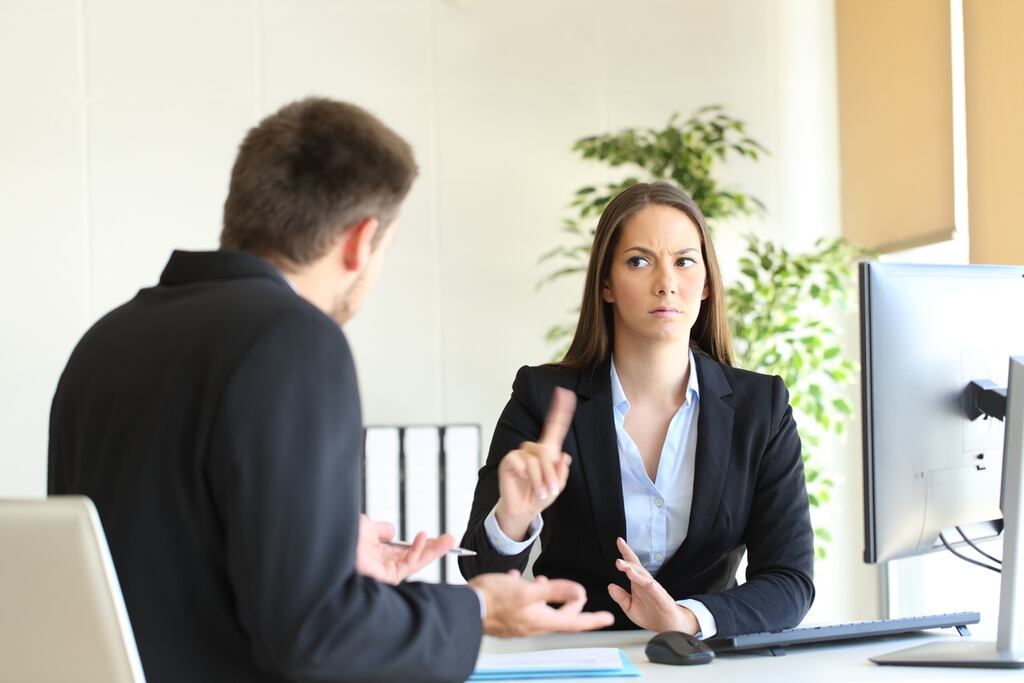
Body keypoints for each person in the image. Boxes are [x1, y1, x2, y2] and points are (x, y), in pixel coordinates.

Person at [48, 97, 613, 683]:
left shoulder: (107, 340)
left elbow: (167, 560)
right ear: (361, 241)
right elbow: (317, 636)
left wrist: (327, 549)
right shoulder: (293, 339)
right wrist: (479, 609)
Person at [459, 181, 815, 638]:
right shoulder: (542, 397)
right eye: (639, 261)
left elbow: (789, 582)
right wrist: (514, 516)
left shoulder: (760, 408)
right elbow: (480, 575)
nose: (666, 283)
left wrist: (687, 619)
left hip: (703, 664)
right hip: (577, 661)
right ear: (606, 284)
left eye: (685, 261)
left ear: (706, 284)